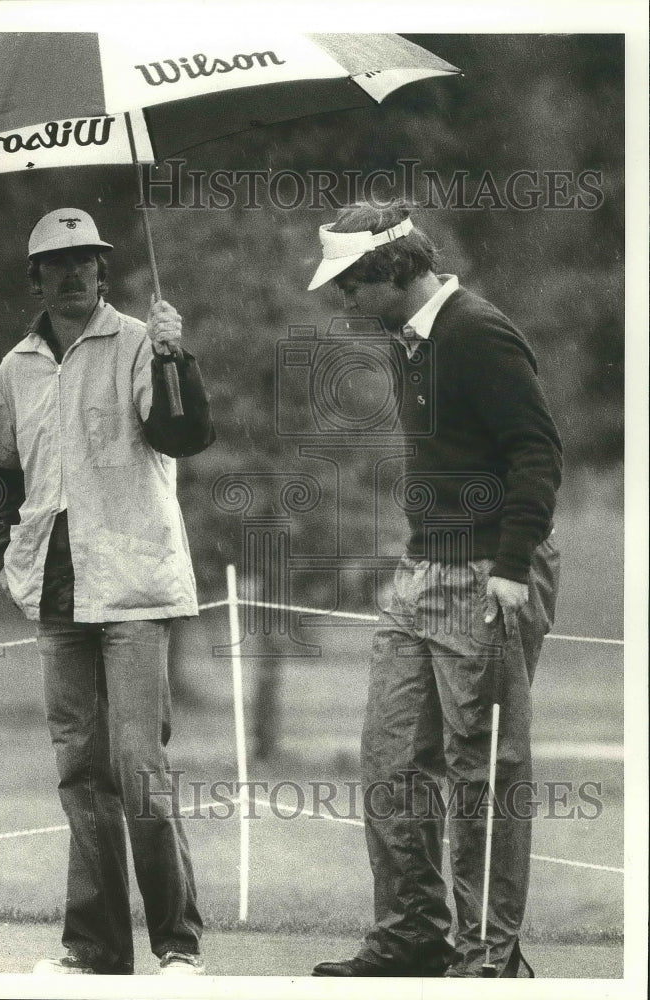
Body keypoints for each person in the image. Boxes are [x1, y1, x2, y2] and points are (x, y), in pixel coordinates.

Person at [306, 200, 562, 978]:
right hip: (421, 574)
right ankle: (412, 936)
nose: (342, 300)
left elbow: (536, 454)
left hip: (488, 574)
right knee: (389, 762)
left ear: (393, 270)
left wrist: (512, 567)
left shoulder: (475, 331)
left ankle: (488, 955)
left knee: (481, 769)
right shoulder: (407, 341)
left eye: (350, 284)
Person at [0, 208, 215, 976]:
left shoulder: (142, 340)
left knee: (140, 767)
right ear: (35, 276)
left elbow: (183, 436)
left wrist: (177, 357)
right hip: (55, 591)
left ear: (104, 270)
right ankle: (95, 951)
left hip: (135, 587)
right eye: (58, 262)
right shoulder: (17, 365)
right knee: (81, 772)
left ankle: (178, 948)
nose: (74, 273)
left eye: (88, 260)